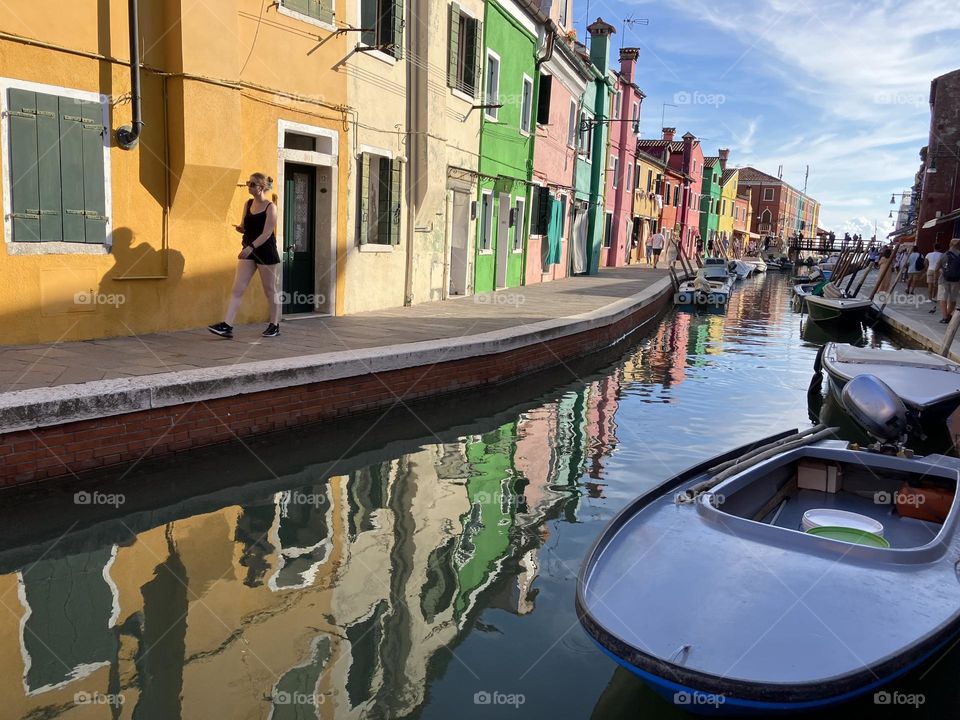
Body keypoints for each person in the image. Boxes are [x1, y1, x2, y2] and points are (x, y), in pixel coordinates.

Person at [208, 172, 282, 339]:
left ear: (261, 187)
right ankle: (227, 326)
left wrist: (251, 247)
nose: (248, 186)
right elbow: (245, 225)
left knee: (270, 289)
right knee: (238, 288)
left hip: (265, 252)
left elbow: (267, 233)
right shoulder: (247, 204)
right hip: (248, 249)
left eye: (252, 184)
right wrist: (241, 229)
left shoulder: (271, 207)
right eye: (249, 183)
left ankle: (275, 325)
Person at [938, 238, 960, 324]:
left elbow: (937, 267)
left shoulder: (944, 255)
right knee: (952, 299)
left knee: (942, 298)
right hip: (956, 280)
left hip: (944, 279)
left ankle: (945, 317)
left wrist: (936, 277)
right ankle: (948, 315)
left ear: (950, 244)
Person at [926, 243, 943, 311]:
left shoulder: (929, 254)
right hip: (938, 271)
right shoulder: (942, 255)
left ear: (934, 247)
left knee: (930, 284)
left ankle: (929, 298)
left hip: (930, 270)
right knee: (936, 284)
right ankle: (934, 297)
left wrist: (928, 267)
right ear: (940, 248)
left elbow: (925, 262)